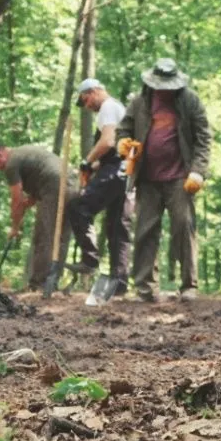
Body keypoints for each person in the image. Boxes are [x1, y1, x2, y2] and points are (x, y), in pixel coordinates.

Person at [116, 58, 212, 302]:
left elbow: (203, 138)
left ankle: (189, 285)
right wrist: (123, 143)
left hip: (180, 176)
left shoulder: (189, 100)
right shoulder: (140, 102)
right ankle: (145, 288)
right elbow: (123, 128)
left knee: (183, 225)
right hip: (147, 177)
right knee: (145, 230)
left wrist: (198, 171)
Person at [65, 78, 131, 294]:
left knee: (78, 207)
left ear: (92, 92)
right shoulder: (118, 107)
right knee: (116, 227)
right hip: (126, 171)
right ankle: (119, 284)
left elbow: (108, 142)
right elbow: (115, 149)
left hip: (117, 170)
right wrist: (94, 165)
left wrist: (87, 160)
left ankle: (90, 261)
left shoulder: (108, 107)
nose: (86, 107)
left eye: (85, 101)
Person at [0, 143, 76, 290]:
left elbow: (16, 199)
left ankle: (39, 284)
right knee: (61, 238)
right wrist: (25, 205)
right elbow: (32, 194)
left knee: (43, 235)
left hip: (54, 187)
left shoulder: (11, 165)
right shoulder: (24, 154)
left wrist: (15, 227)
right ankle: (51, 283)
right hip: (72, 184)